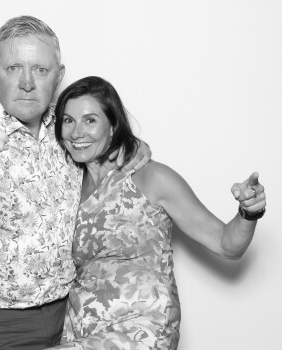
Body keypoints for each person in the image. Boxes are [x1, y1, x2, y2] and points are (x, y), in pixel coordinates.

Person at [0, 16, 150, 349]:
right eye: (13, 68)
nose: (27, 82)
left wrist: (132, 146)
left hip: (74, 315)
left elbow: (108, 147)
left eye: (40, 70)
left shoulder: (69, 129)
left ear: (59, 76)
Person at [47, 76, 267, 349]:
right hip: (79, 329)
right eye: (68, 120)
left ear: (113, 126)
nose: (76, 132)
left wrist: (248, 212)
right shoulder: (66, 186)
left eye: (90, 120)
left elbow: (227, 245)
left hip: (141, 329)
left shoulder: (150, 177)